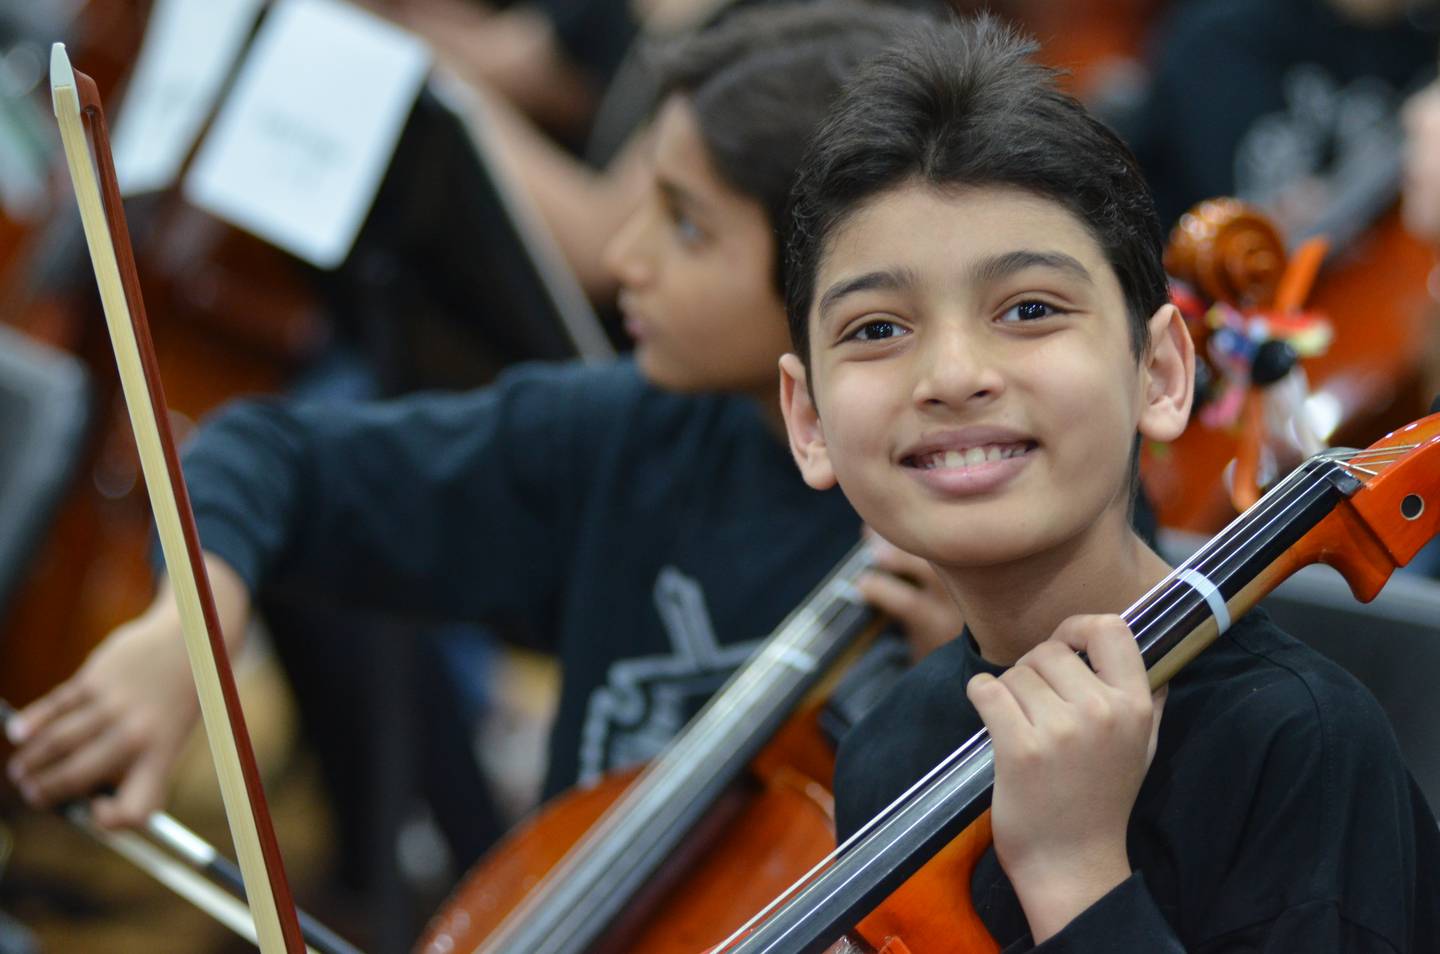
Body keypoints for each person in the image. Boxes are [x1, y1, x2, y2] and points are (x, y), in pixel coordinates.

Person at [5, 1, 958, 836]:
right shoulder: (628, 433)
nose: (626, 256)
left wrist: (954, 684)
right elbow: (273, 456)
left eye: (686, 227)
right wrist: (190, 625)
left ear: (835, 272)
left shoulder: (986, 537)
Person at [776, 16, 1440, 949]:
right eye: (878, 329)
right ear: (808, 420)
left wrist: (1075, 874)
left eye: (1031, 308)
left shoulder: (1299, 746)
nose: (954, 374)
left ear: (1162, 372)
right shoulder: (891, 748)